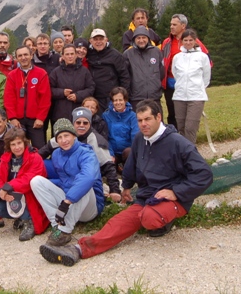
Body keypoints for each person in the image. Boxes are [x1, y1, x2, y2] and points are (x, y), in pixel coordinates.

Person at [39, 100, 213, 266]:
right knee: (118, 222)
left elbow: (204, 174)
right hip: (148, 198)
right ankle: (78, 249)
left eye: (147, 119)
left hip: (174, 199)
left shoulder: (178, 143)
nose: (143, 124)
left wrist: (176, 192)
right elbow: (131, 165)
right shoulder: (140, 139)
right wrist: (127, 187)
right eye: (139, 120)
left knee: (149, 217)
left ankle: (162, 220)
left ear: (159, 117)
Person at [30, 119, 104, 247]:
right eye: (60, 137)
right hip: (68, 202)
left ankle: (65, 231)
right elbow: (65, 181)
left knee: (84, 185)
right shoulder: (57, 154)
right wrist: (49, 185)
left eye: (67, 135)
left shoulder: (86, 152)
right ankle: (57, 225)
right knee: (37, 181)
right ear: (56, 140)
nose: (64, 140)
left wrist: (68, 201)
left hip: (89, 208)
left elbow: (88, 177)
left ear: (74, 135)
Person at [38, 108, 121, 203]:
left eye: (85, 123)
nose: (81, 125)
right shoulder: (64, 135)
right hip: (64, 172)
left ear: (90, 124)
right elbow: (42, 152)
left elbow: (108, 165)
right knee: (41, 164)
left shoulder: (95, 140)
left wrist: (115, 190)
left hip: (82, 174)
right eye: (78, 123)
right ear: (73, 124)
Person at [0, 128, 49, 241]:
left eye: (19, 143)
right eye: (13, 144)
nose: (17, 147)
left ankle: (29, 221)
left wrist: (8, 187)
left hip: (31, 195)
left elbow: (29, 178)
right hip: (12, 196)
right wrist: (0, 192)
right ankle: (21, 217)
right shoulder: (6, 158)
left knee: (27, 202)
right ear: (9, 146)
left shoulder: (35, 157)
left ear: (25, 142)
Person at [161, 14, 211, 128]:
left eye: (174, 24)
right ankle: (174, 139)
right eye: (170, 24)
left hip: (190, 86)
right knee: (173, 113)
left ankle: (188, 138)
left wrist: (199, 83)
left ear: (183, 26)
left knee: (189, 117)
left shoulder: (193, 41)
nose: (171, 27)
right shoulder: (167, 43)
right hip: (170, 83)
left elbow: (208, 61)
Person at [4, 45, 52, 148]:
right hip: (18, 120)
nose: (23, 57)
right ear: (16, 58)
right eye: (20, 55)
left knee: (39, 150)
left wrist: (40, 118)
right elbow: (8, 98)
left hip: (35, 120)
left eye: (26, 54)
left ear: (31, 55)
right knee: (18, 149)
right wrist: (12, 118)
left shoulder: (41, 73)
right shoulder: (12, 75)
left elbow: (45, 99)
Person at [172, 29, 212, 144]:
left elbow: (206, 77)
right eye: (186, 40)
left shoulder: (202, 57)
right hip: (179, 97)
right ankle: (183, 151)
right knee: (181, 127)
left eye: (191, 40)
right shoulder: (177, 57)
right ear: (181, 41)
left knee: (190, 127)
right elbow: (175, 74)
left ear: (195, 41)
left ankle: (190, 153)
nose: (188, 43)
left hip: (196, 97)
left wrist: (197, 87)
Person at [86, 29, 131, 113]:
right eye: (96, 39)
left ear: (106, 39)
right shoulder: (88, 54)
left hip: (112, 98)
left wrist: (123, 97)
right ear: (91, 41)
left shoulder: (115, 55)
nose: (98, 42)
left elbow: (124, 76)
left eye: (101, 39)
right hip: (95, 98)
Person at [49, 44, 95, 125]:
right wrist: (62, 92)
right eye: (67, 54)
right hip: (60, 113)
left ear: (76, 55)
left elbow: (91, 88)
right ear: (62, 56)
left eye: (72, 54)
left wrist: (77, 96)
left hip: (80, 113)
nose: (70, 56)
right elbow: (49, 89)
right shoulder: (56, 72)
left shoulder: (84, 71)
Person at [123, 26, 165, 111]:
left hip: (154, 97)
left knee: (157, 122)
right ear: (134, 39)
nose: (141, 40)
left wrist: (156, 85)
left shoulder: (156, 52)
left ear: (148, 39)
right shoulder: (128, 54)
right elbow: (125, 76)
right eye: (138, 38)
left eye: (144, 37)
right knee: (139, 123)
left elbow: (162, 72)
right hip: (136, 98)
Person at [102, 87, 139, 168]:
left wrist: (134, 151)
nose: (118, 102)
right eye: (115, 100)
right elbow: (105, 137)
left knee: (129, 153)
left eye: (120, 100)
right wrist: (111, 154)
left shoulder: (133, 116)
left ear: (125, 100)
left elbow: (135, 135)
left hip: (127, 151)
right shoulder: (105, 116)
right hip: (112, 151)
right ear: (112, 101)